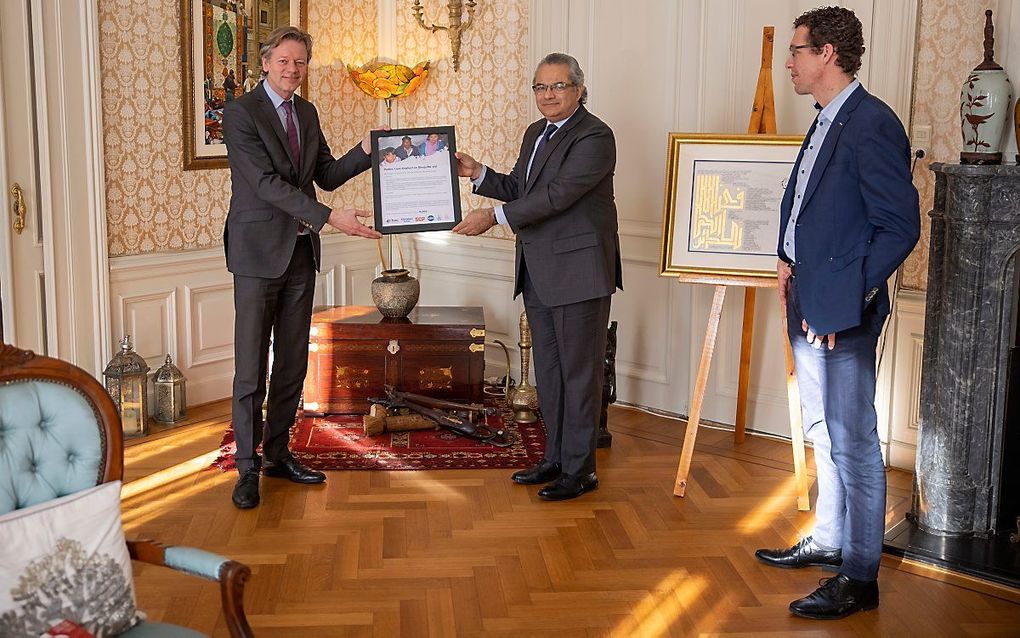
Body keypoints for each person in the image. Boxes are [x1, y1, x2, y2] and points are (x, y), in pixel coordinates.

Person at [754, 6, 919, 620]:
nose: (788, 62)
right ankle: (826, 538)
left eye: (796, 50)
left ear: (827, 53)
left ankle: (859, 575)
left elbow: (900, 227)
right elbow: (808, 206)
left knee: (853, 442)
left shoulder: (873, 123)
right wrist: (784, 259)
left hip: (839, 312)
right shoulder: (827, 119)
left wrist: (845, 298)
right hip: (807, 296)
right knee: (822, 431)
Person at [222, 26, 382, 510]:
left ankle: (277, 455)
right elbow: (266, 182)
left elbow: (325, 174)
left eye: (301, 62)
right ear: (266, 63)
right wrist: (332, 218)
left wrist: (367, 151)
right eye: (285, 61)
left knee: (291, 362)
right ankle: (246, 470)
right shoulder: (239, 112)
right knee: (251, 367)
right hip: (256, 254)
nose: (293, 69)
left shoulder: (306, 113)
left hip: (298, 253)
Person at [453, 52, 622, 501]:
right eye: (541, 88)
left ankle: (581, 470)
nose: (548, 95)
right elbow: (523, 190)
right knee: (550, 373)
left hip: (579, 273)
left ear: (579, 90)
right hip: (539, 271)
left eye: (559, 86)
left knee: (579, 374)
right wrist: (479, 173)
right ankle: (555, 458)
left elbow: (558, 196)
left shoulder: (595, 136)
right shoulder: (536, 133)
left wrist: (493, 217)